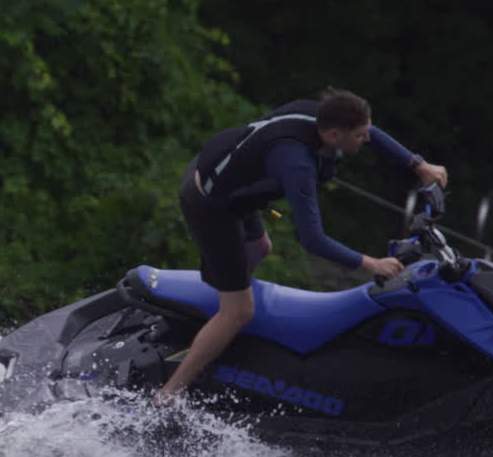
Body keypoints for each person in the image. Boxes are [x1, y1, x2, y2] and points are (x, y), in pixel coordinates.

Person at [153, 88, 448, 405]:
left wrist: (417, 164)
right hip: (211, 205)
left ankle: (209, 318)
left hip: (236, 187)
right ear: (335, 134)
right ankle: (170, 393)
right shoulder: (296, 163)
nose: (367, 139)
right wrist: (371, 264)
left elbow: (369, 130)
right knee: (240, 311)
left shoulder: (322, 116)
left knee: (260, 249)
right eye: (360, 135)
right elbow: (312, 240)